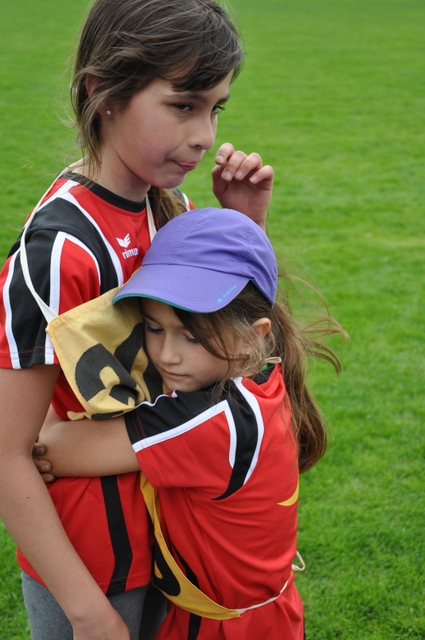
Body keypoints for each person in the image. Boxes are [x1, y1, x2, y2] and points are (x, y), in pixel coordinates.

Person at [0, 1, 274, 639]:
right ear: (105, 94)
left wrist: (243, 227)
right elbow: (8, 454)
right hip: (93, 566)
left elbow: (235, 351)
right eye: (183, 105)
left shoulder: (169, 206)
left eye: (216, 109)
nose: (204, 134)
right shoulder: (58, 253)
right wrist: (86, 611)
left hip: (176, 532)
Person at [34, 207, 344, 640]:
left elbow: (48, 446)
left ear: (254, 336)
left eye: (191, 336)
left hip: (222, 628)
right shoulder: (264, 374)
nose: (166, 355)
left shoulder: (210, 420)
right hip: (266, 615)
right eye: (152, 327)